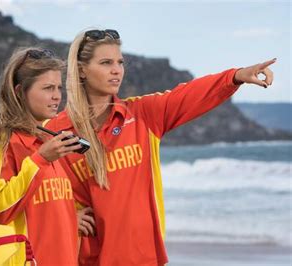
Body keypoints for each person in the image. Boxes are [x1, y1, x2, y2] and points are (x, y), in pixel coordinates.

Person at [46, 28, 275, 265]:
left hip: (144, 258)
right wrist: (65, 215)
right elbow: (24, 190)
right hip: (88, 260)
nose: (116, 70)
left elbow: (186, 95)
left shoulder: (142, 114)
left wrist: (235, 76)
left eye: (120, 62)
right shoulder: (55, 130)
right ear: (82, 70)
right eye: (106, 63)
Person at [0, 47, 82, 265]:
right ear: (19, 91)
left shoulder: (48, 142)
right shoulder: (1, 140)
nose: (56, 96)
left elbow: (44, 208)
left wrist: (72, 218)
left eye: (58, 88)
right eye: (47, 88)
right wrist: (40, 160)